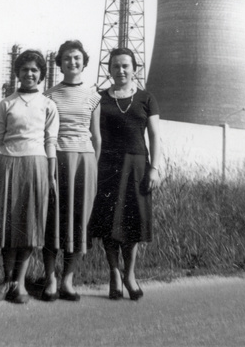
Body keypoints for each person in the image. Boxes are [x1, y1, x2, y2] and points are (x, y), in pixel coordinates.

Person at [0, 49, 59, 304]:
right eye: (25, 69)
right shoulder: (6, 103)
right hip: (8, 165)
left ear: (41, 75)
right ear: (18, 72)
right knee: (7, 227)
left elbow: (51, 141)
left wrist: (50, 174)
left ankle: (22, 284)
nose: (30, 73)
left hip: (36, 165)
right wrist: (2, 164)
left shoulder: (48, 105)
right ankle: (7, 281)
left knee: (29, 226)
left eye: (35, 70)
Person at [91, 47, 161, 301]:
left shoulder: (146, 98)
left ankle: (130, 275)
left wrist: (154, 168)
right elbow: (91, 135)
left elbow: (154, 136)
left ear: (134, 68)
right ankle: (114, 273)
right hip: (107, 165)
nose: (120, 71)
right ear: (109, 69)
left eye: (125, 66)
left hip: (137, 166)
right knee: (109, 225)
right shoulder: (98, 98)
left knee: (132, 225)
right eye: (115, 66)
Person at [42, 40, 101, 302]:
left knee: (79, 221)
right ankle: (49, 278)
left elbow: (96, 136)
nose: (72, 62)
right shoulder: (50, 95)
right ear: (60, 63)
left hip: (85, 162)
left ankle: (68, 279)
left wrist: (93, 167)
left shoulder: (93, 96)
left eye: (77, 58)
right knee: (53, 218)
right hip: (58, 159)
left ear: (84, 62)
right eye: (67, 58)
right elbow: (46, 134)